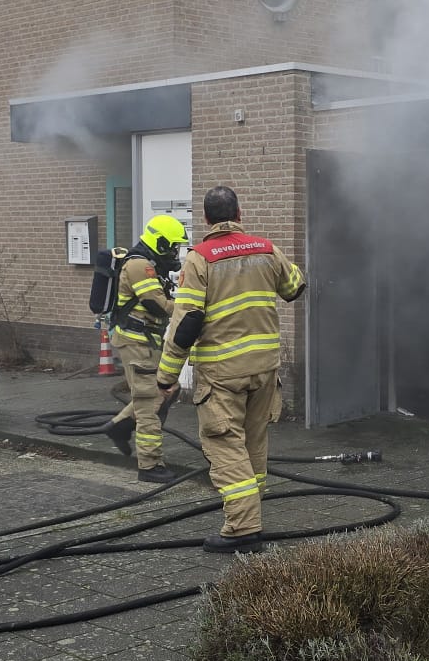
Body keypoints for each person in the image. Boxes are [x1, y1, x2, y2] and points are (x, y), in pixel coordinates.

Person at [156, 187, 305, 553]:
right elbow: (296, 287)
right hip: (265, 369)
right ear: (239, 212)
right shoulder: (265, 249)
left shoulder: (200, 259)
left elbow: (187, 323)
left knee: (225, 445)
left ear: (205, 220)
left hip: (222, 373)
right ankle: (250, 514)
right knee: (254, 443)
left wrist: (166, 376)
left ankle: (242, 529)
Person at [104, 214, 190, 482]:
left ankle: (118, 427)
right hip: (136, 342)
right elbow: (157, 305)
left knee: (168, 389)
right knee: (150, 401)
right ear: (161, 243)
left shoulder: (151, 265)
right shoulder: (140, 266)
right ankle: (150, 466)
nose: (176, 253)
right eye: (173, 247)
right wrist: (193, 308)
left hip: (149, 341)